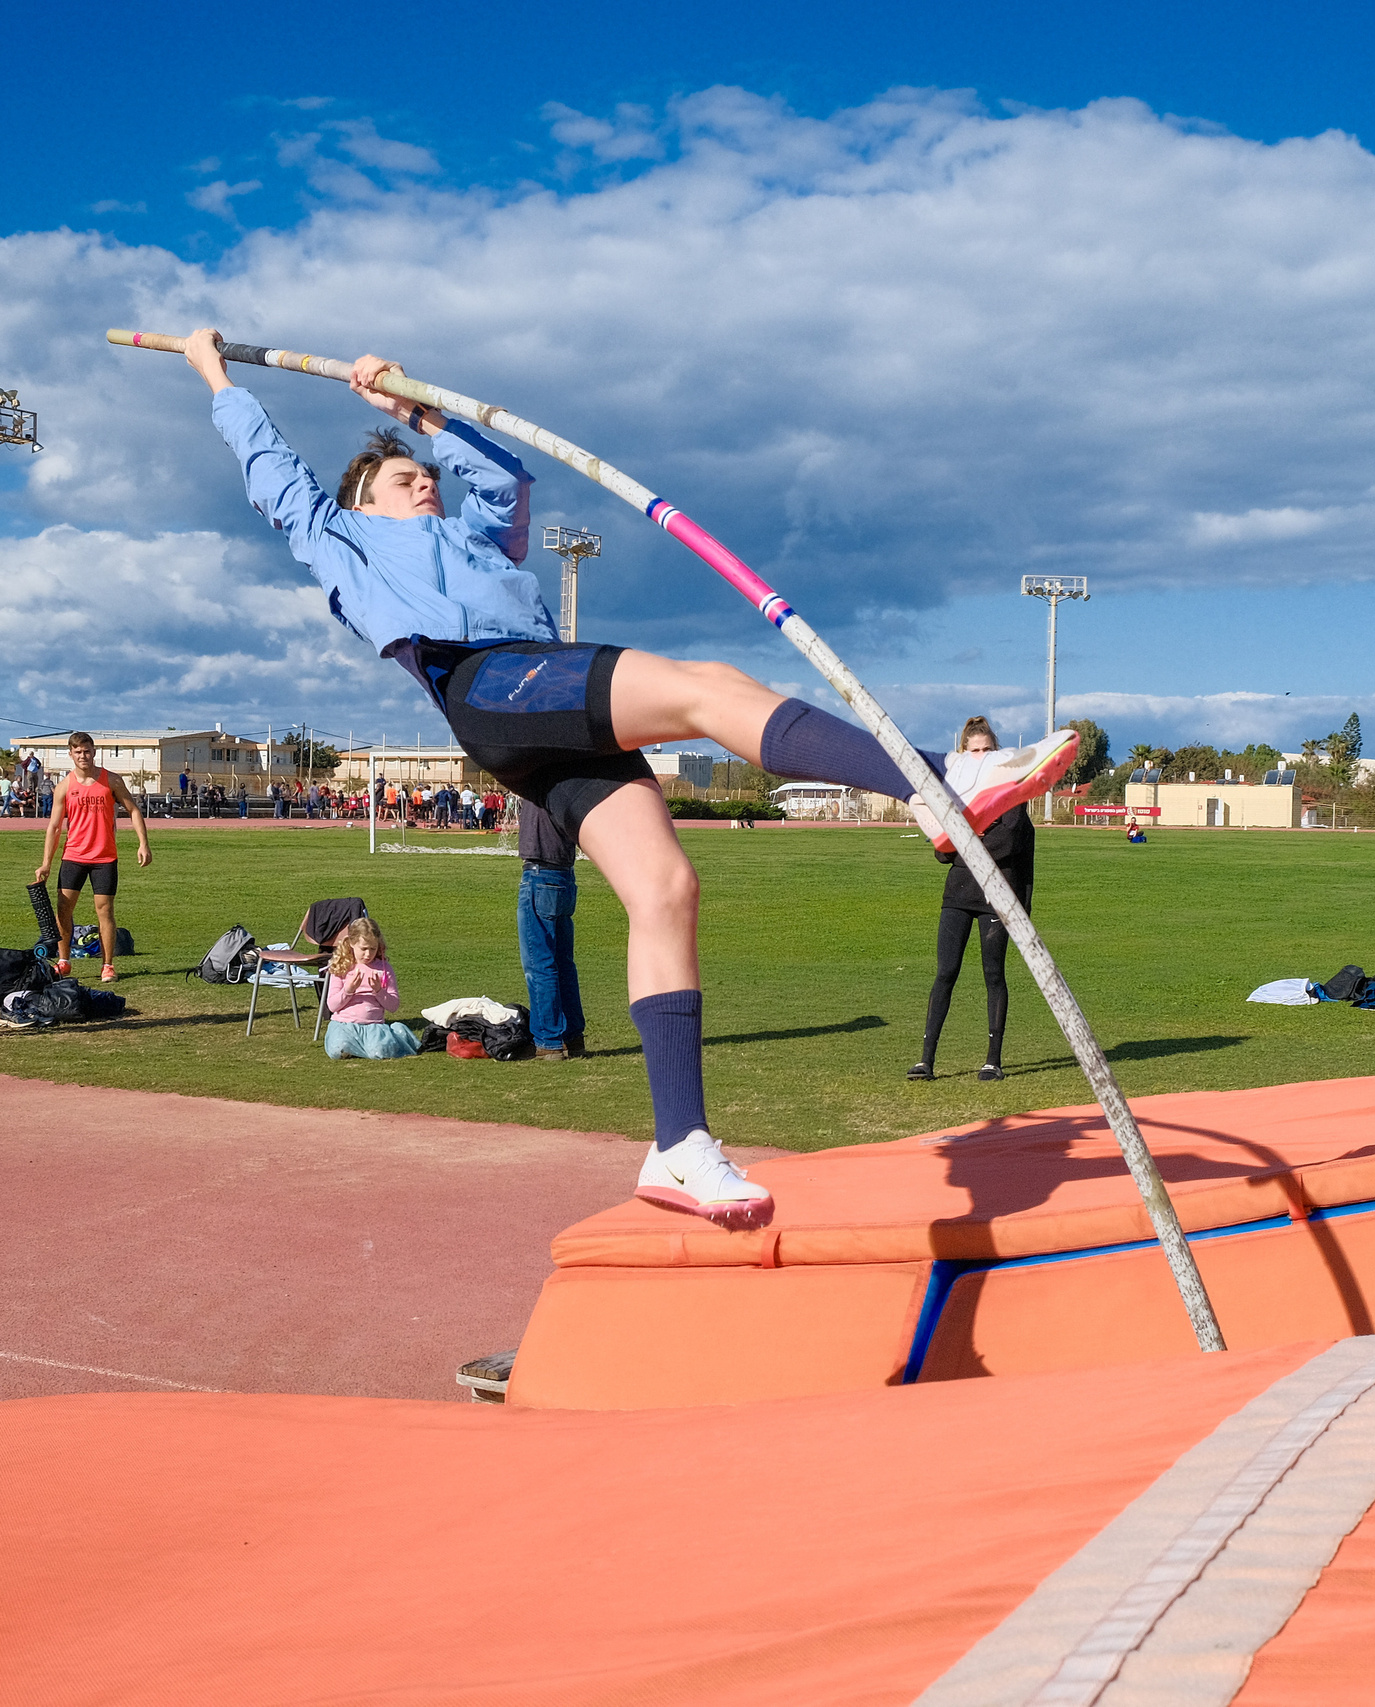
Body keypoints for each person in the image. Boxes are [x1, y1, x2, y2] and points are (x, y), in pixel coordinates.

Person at [184, 330, 1075, 1227]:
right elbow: (275, 477)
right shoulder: (341, 539)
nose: (422, 479)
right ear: (361, 503)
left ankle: (677, 1144)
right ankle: (939, 777)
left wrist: (423, 417)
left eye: (424, 472)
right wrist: (215, 372)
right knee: (707, 689)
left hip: (546, 698)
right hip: (487, 683)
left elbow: (506, 484)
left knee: (665, 886)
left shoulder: (474, 536)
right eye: (401, 476)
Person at [907, 717, 1033, 1084]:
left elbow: (1007, 843)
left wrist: (960, 842)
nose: (980, 757)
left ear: (998, 752)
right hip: (958, 894)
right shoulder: (956, 793)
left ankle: (993, 1060)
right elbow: (942, 851)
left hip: (996, 898)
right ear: (964, 753)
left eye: (987, 750)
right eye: (974, 750)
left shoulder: (1011, 795)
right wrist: (953, 842)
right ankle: (925, 1061)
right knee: (945, 973)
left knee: (993, 975)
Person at [34, 731, 152, 983]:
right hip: (73, 856)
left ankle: (107, 965)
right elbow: (54, 828)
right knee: (64, 910)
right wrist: (46, 863)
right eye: (77, 752)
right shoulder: (65, 786)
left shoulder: (112, 781)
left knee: (105, 911)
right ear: (71, 754)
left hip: (104, 858)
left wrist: (143, 844)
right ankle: (64, 962)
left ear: (94, 752)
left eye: (86, 751)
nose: (82, 756)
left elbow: (133, 810)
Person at [517, 798, 587, 1061]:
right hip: (564, 875)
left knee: (539, 964)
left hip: (540, 874)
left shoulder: (538, 785)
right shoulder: (567, 793)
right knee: (563, 963)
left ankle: (548, 1040)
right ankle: (572, 1036)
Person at [322, 918, 426, 1059]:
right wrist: (349, 990)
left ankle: (394, 1034)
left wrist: (379, 991)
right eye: (363, 949)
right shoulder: (342, 967)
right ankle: (358, 1045)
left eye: (373, 949)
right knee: (337, 1050)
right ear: (352, 943)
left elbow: (393, 1006)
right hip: (344, 1024)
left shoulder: (383, 969)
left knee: (380, 1052)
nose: (368, 954)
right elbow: (332, 1006)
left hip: (373, 1025)